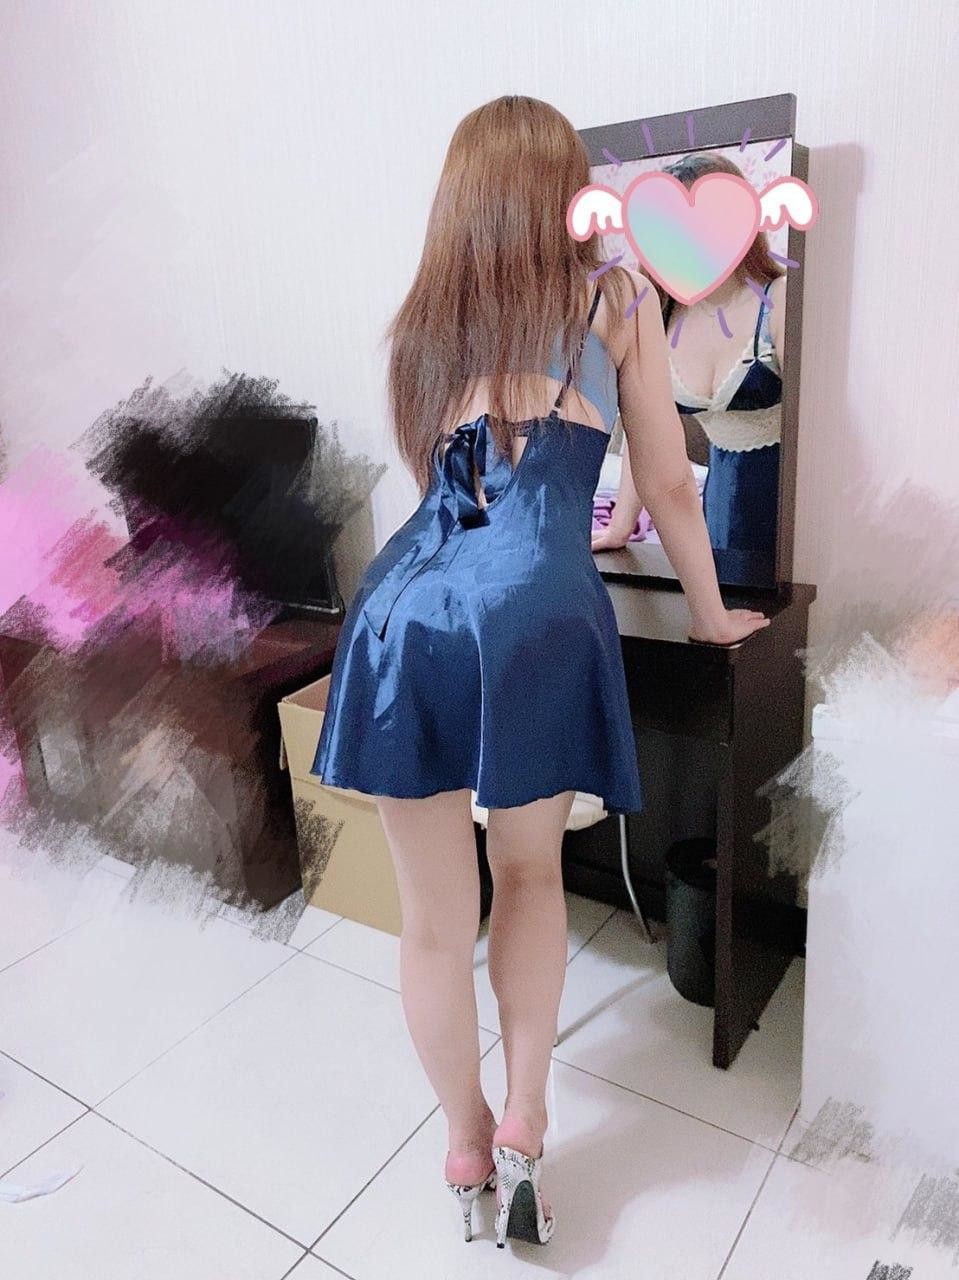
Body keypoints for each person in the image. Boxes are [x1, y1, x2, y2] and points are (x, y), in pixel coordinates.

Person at [310, 96, 770, 1248]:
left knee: (431, 920)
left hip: (402, 609)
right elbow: (663, 483)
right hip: (535, 609)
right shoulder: (615, 296)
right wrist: (710, 615)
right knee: (526, 873)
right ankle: (523, 1117)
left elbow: (452, 488)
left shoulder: (425, 324)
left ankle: (463, 1139)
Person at [593, 151, 786, 585]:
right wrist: (622, 524)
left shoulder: (778, 301)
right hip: (714, 514)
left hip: (786, 516)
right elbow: (646, 435)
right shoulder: (660, 314)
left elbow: (818, 431)